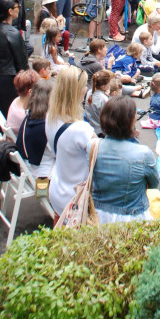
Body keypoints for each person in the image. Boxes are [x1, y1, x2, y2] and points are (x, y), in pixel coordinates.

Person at [89, 96, 158, 225]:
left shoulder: (92, 147)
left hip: (97, 214)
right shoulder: (143, 153)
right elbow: (154, 184)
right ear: (131, 122)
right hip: (132, 216)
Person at [44, 67, 96, 215]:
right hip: (75, 196)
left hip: (57, 188)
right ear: (77, 90)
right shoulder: (80, 129)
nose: (87, 88)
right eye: (85, 85)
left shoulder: (50, 117)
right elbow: (103, 156)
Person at [0, 0, 29, 138]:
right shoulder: (12, 33)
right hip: (9, 79)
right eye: (17, 7)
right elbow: (22, 63)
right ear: (10, 11)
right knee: (9, 120)